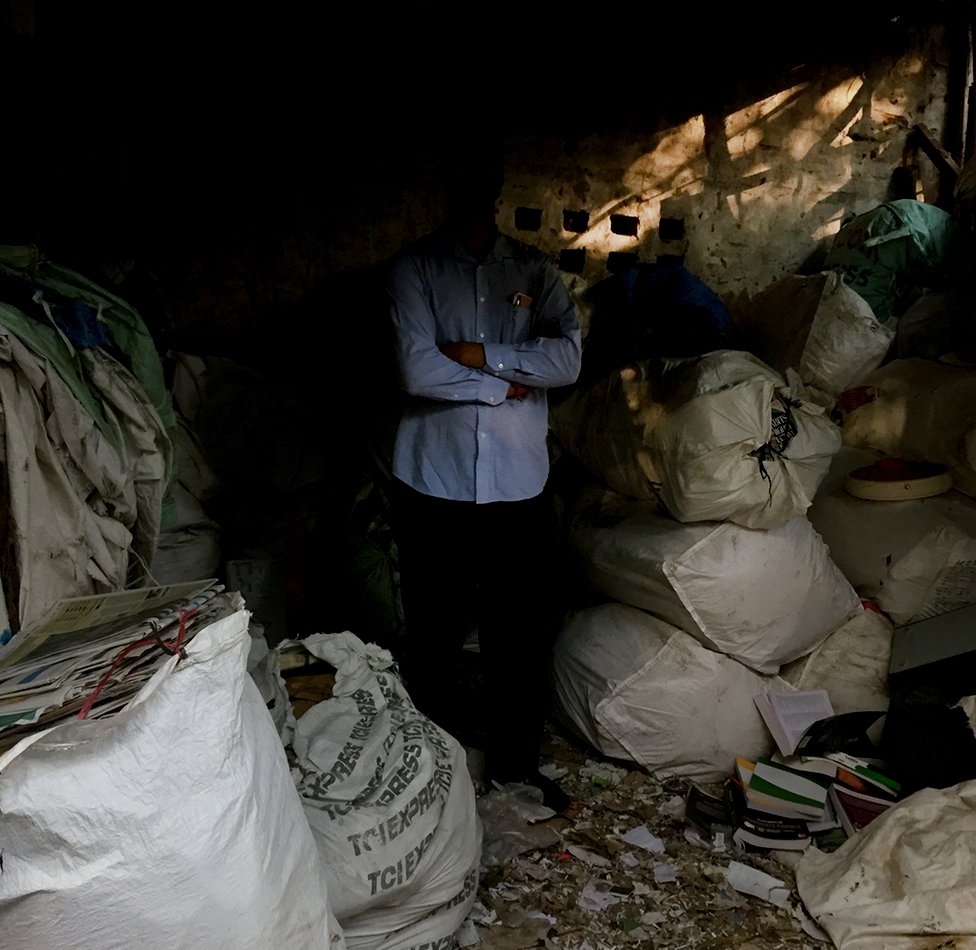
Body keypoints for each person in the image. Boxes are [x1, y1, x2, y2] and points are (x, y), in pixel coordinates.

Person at [386, 142, 582, 812]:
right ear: (447, 185)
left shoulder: (534, 270)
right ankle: (427, 776)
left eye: (484, 178)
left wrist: (475, 354)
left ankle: (514, 771)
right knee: (434, 631)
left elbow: (565, 361)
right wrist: (506, 382)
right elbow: (416, 370)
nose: (476, 188)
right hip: (431, 481)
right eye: (463, 176)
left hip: (518, 484)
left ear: (496, 186)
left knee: (517, 635)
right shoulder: (414, 269)